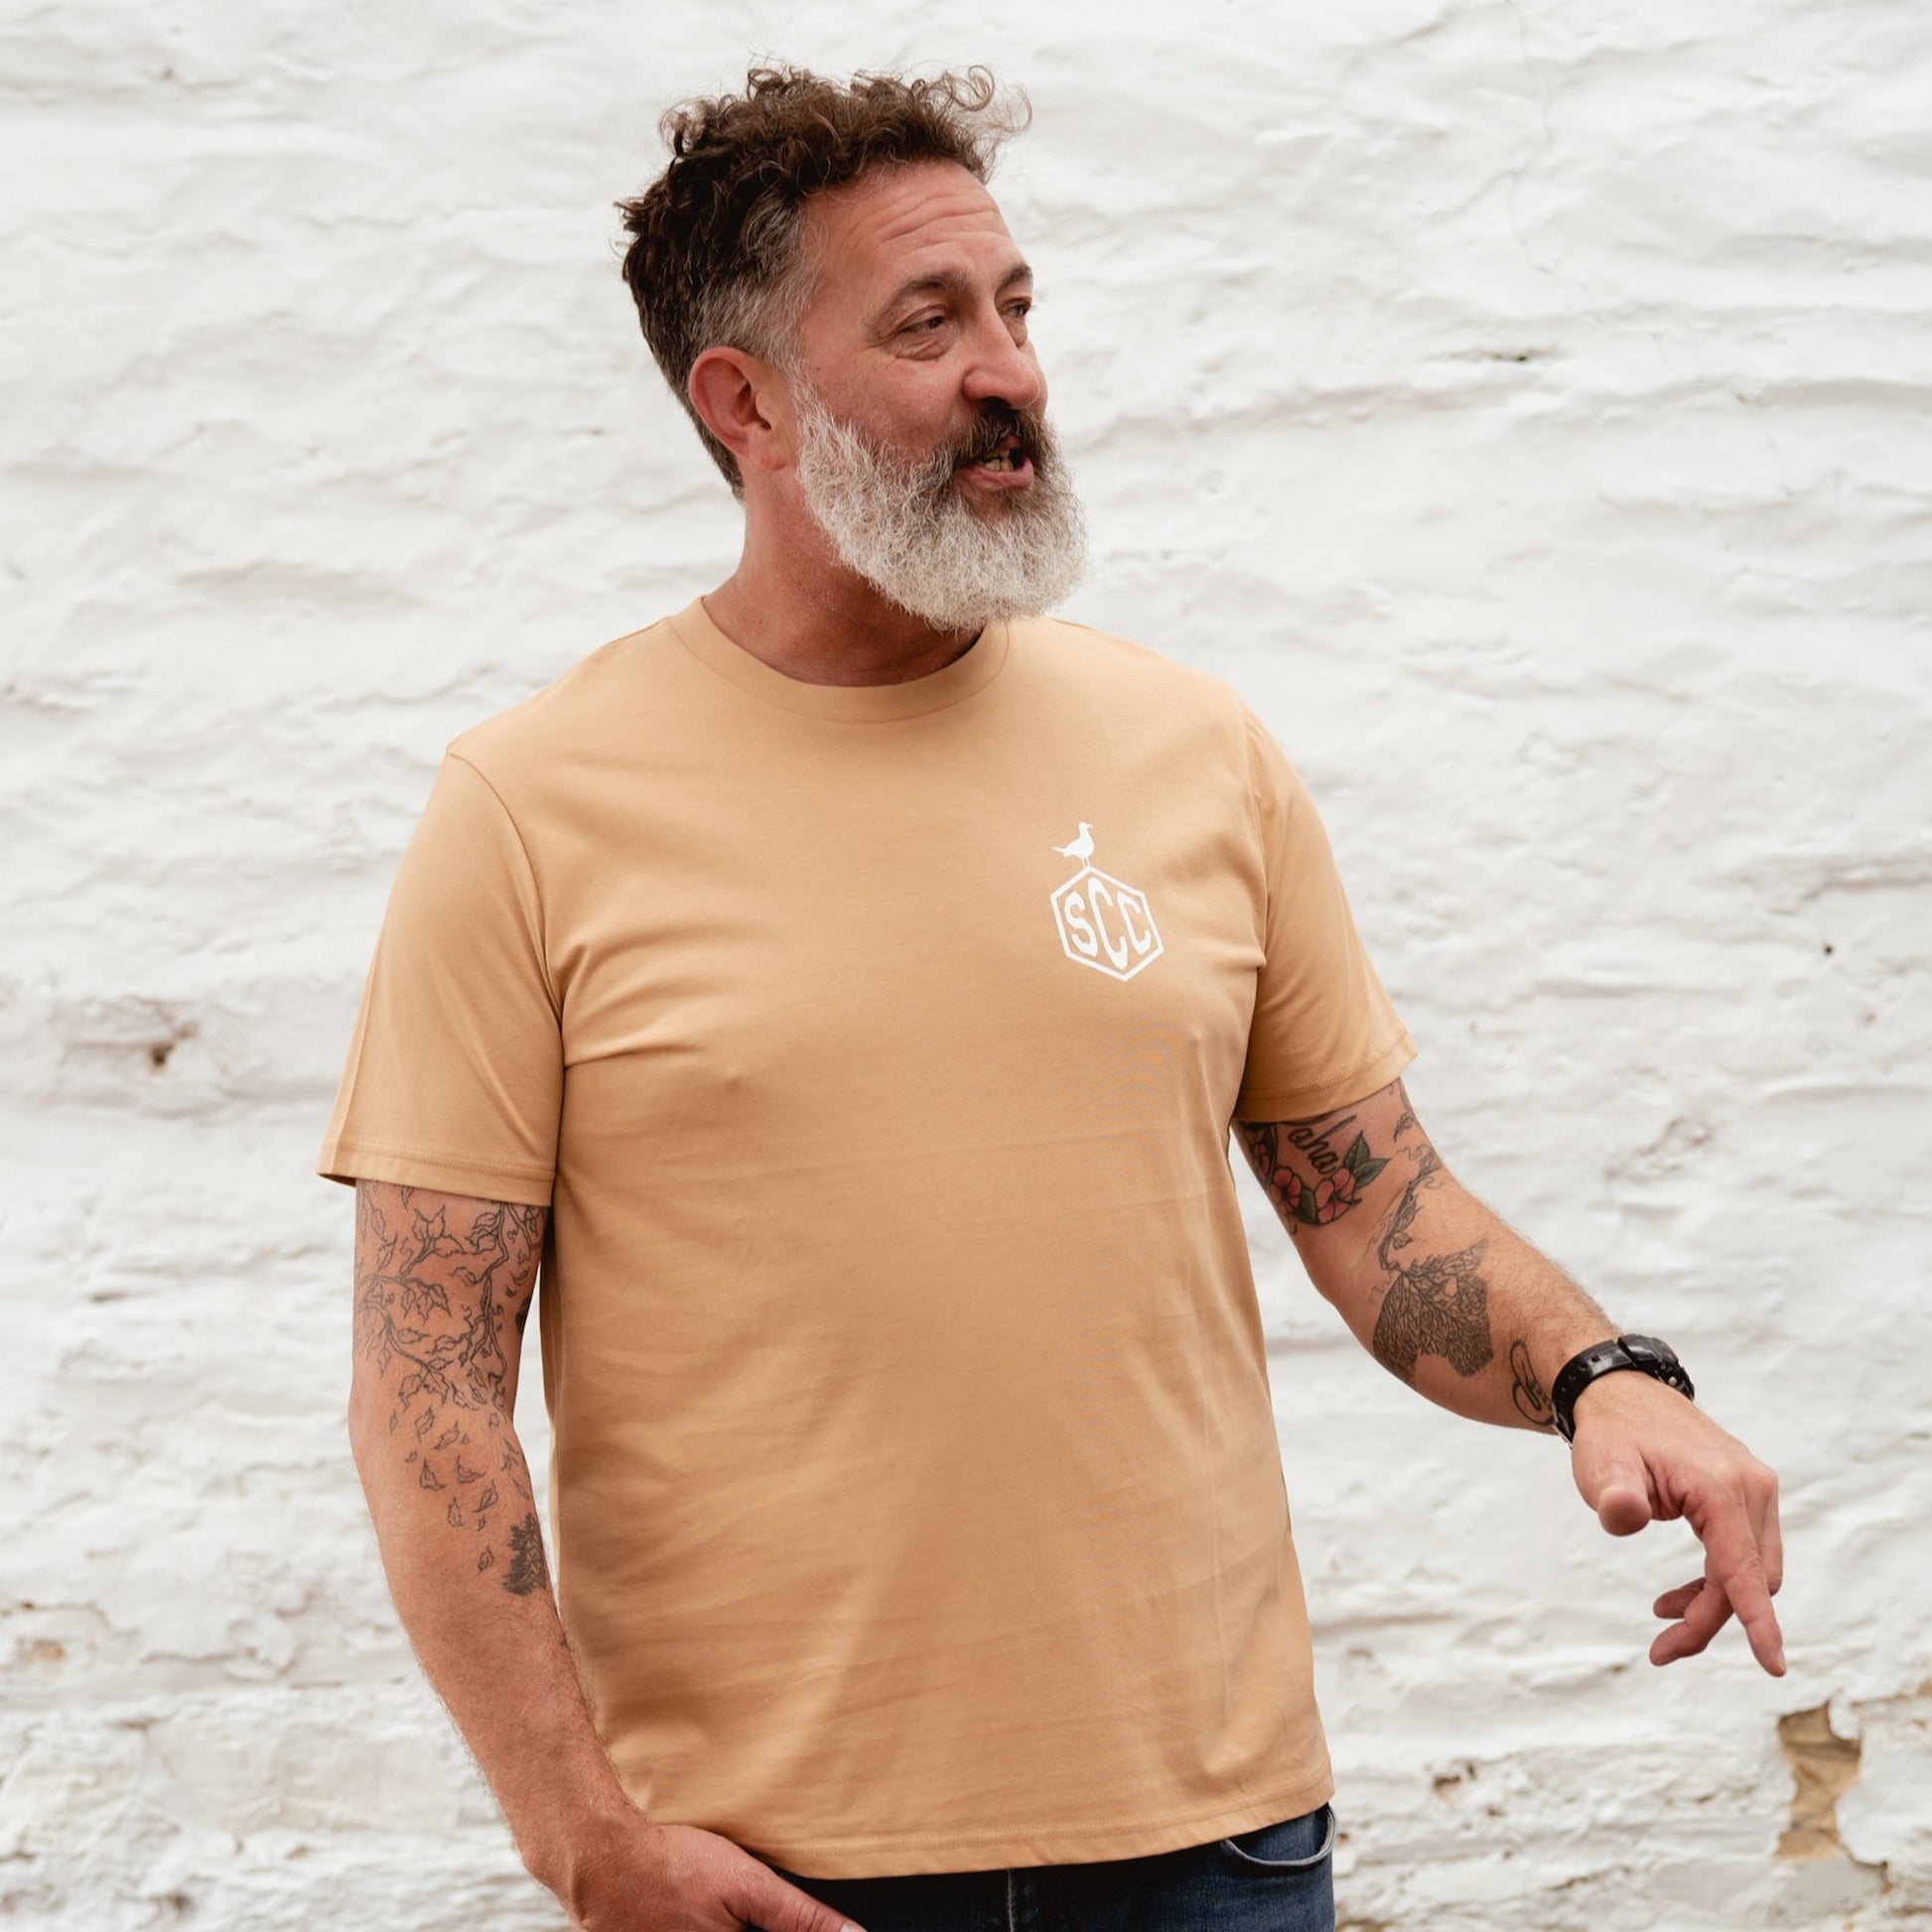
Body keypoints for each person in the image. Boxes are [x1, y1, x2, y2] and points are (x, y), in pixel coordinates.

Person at [318, 65, 1784, 1932]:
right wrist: (577, 1830)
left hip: (1220, 1844)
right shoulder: (532, 809)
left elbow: (1375, 1208)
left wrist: (1600, 1375)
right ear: (741, 398)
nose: (1006, 368)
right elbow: (427, 1383)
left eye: (1015, 308)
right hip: (770, 1874)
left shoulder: (1191, 750)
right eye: (926, 322)